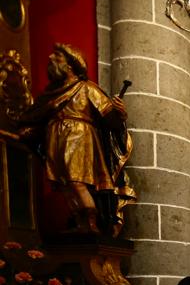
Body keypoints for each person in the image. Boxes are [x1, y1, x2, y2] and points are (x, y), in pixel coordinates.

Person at [17, 44, 134, 236]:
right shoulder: (51, 94)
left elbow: (110, 119)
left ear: (71, 64)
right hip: (55, 138)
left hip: (79, 138)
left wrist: (120, 114)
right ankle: (81, 224)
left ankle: (93, 224)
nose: (50, 57)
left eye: (57, 56)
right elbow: (39, 118)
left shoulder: (86, 88)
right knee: (65, 185)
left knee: (76, 182)